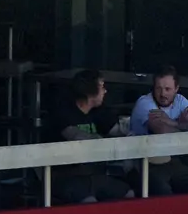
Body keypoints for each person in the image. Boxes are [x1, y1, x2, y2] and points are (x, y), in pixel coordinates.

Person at [41, 69, 133, 203]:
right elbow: (75, 136)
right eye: (102, 86)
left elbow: (117, 130)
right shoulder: (64, 110)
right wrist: (99, 140)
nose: (105, 91)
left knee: (129, 194)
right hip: (66, 176)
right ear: (90, 90)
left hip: (94, 175)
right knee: (89, 203)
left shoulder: (99, 111)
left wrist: (140, 122)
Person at [128, 66, 188, 195]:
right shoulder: (145, 103)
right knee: (165, 194)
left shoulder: (180, 100)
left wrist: (173, 122)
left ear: (176, 89)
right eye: (158, 88)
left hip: (170, 161)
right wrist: (187, 127)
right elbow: (163, 132)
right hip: (143, 164)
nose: (163, 94)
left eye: (167, 89)